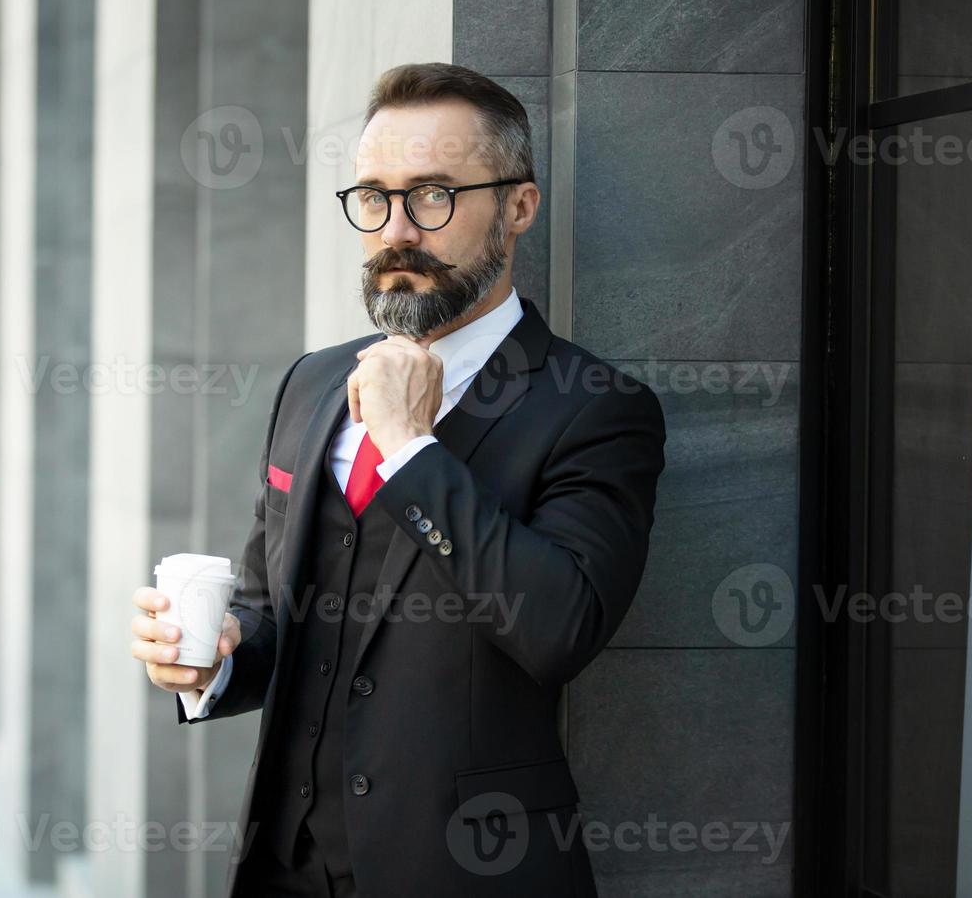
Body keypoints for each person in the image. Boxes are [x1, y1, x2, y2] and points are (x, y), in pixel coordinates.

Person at [129, 61, 666, 897]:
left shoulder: (594, 409)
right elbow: (273, 608)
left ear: (518, 206)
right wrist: (218, 660)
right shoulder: (311, 382)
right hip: (282, 868)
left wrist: (410, 449)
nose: (396, 230)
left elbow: (561, 627)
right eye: (374, 197)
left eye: (432, 196)